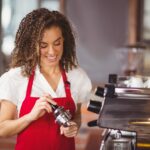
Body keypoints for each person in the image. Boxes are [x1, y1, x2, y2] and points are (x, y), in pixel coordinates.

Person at [0, 8, 92, 150]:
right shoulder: (16, 78)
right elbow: (2, 129)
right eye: (43, 45)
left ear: (64, 41)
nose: (52, 52)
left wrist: (74, 126)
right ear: (31, 45)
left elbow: (77, 116)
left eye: (57, 43)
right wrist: (30, 117)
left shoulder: (77, 77)